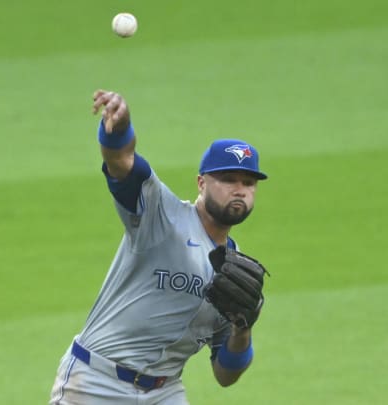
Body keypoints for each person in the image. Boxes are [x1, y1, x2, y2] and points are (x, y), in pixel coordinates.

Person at [49, 89, 269, 404]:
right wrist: (119, 126)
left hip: (164, 393)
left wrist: (243, 330)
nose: (239, 190)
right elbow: (122, 161)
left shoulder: (236, 275)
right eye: (228, 179)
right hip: (96, 383)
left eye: (248, 183)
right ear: (202, 183)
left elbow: (225, 375)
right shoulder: (160, 214)